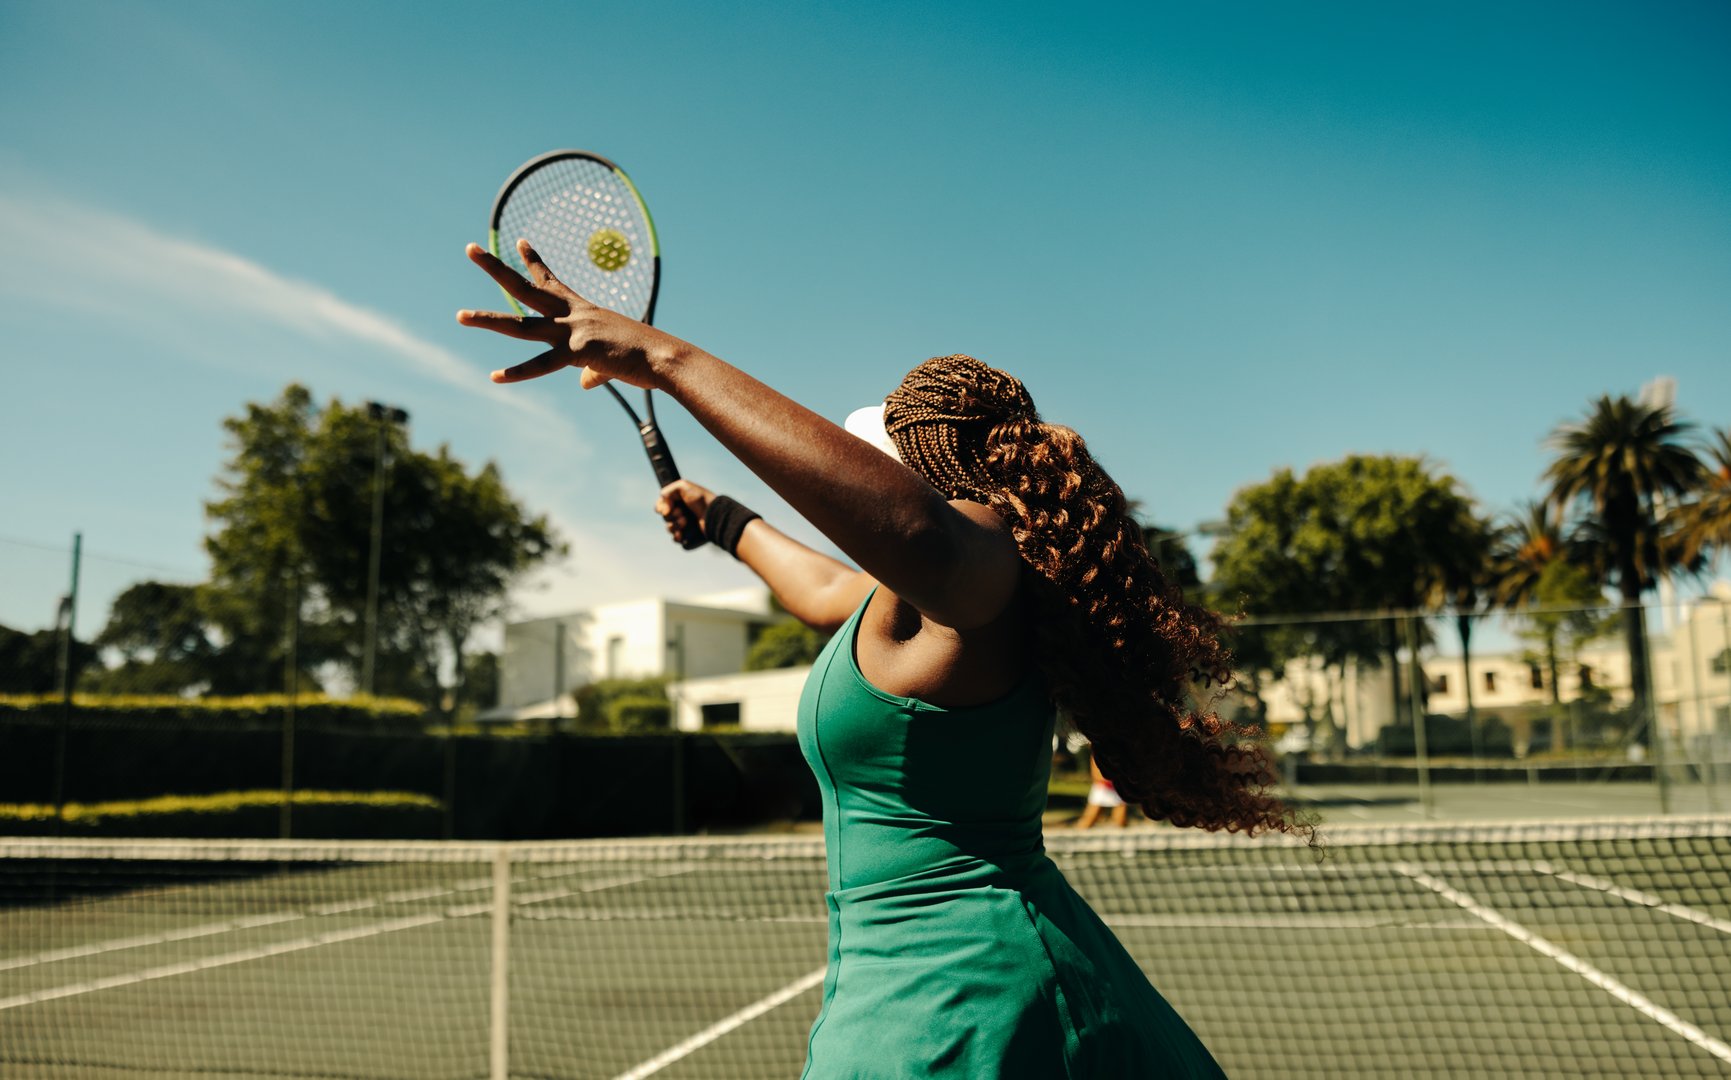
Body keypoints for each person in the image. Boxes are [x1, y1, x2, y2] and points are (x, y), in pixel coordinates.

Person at [460, 240, 1304, 1078]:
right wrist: (720, 519)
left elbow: (916, 534)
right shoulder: (919, 608)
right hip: (946, 978)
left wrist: (661, 357)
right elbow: (824, 586)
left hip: (966, 997)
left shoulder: (979, 578)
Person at [1075, 752, 1130, 829]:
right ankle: (1078, 832)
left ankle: (1124, 836)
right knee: (1090, 817)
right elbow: (1096, 773)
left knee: (1120, 819)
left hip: (1116, 785)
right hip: (1102, 786)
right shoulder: (1098, 751)